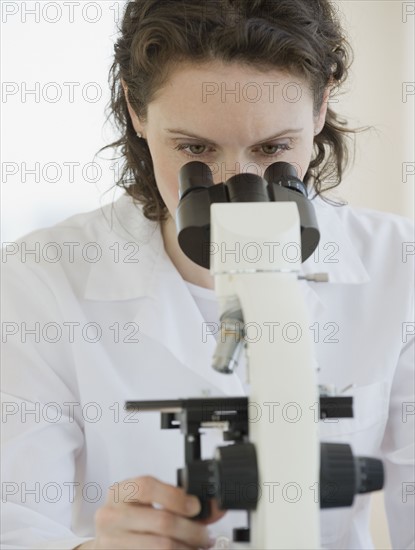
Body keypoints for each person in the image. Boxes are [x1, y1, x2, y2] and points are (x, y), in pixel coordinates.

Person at [1, 0, 414, 549]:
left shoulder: (399, 265)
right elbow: (15, 518)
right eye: (195, 149)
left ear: (320, 108)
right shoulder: (37, 280)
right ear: (136, 109)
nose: (235, 183)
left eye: (273, 149)